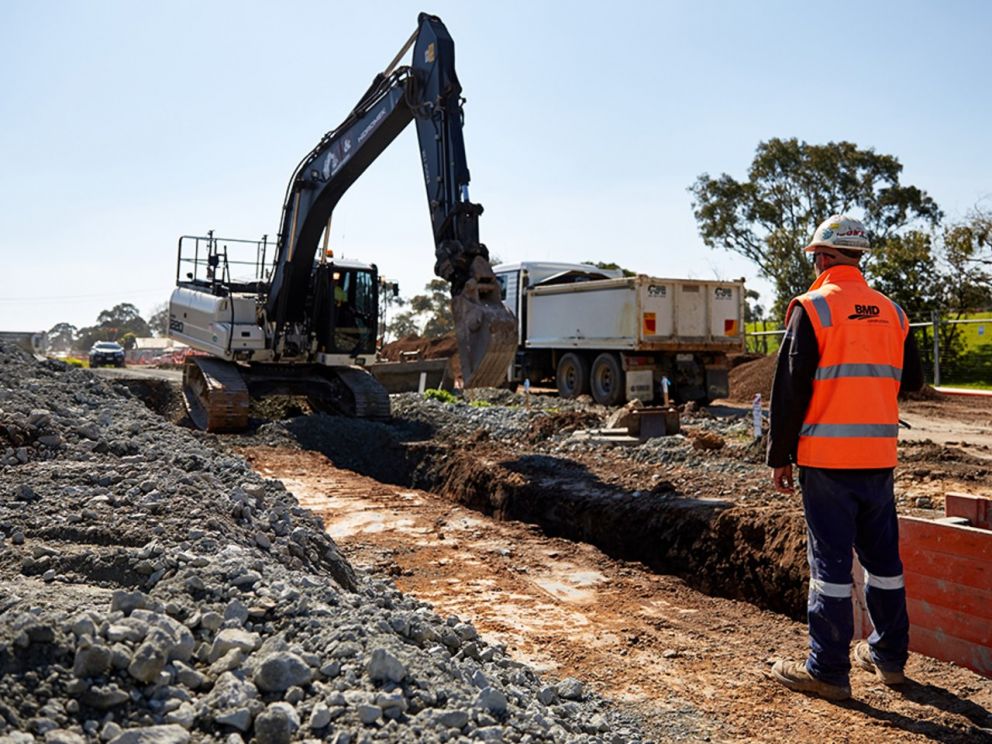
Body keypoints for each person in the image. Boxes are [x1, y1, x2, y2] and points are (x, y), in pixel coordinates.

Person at [767, 214, 924, 701]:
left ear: (824, 256)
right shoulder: (894, 312)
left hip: (827, 460)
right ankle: (889, 658)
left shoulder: (812, 309)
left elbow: (789, 392)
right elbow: (913, 381)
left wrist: (780, 456)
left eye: (815, 256)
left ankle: (828, 670)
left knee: (831, 567)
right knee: (884, 563)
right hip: (878, 458)